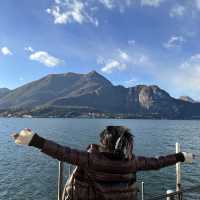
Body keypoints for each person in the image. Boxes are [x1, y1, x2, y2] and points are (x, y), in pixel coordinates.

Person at [12, 126, 194, 200]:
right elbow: (158, 162)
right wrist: (180, 157)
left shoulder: (90, 158)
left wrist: (34, 140)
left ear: (103, 142)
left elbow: (61, 152)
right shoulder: (133, 162)